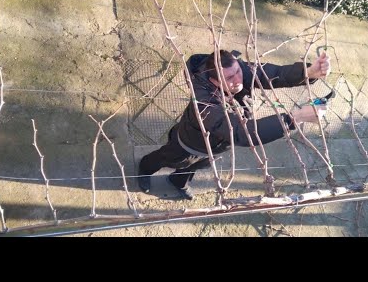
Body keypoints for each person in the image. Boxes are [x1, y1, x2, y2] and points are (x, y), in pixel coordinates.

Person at [138, 49, 331, 200]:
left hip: (216, 146)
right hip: (190, 143)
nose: (238, 80)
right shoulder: (204, 102)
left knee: (197, 165)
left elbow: (274, 73)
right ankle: (144, 169)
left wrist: (308, 72)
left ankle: (178, 182)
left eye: (238, 71)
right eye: (230, 78)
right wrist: (294, 118)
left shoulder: (237, 70)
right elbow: (240, 132)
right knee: (168, 158)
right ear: (213, 80)